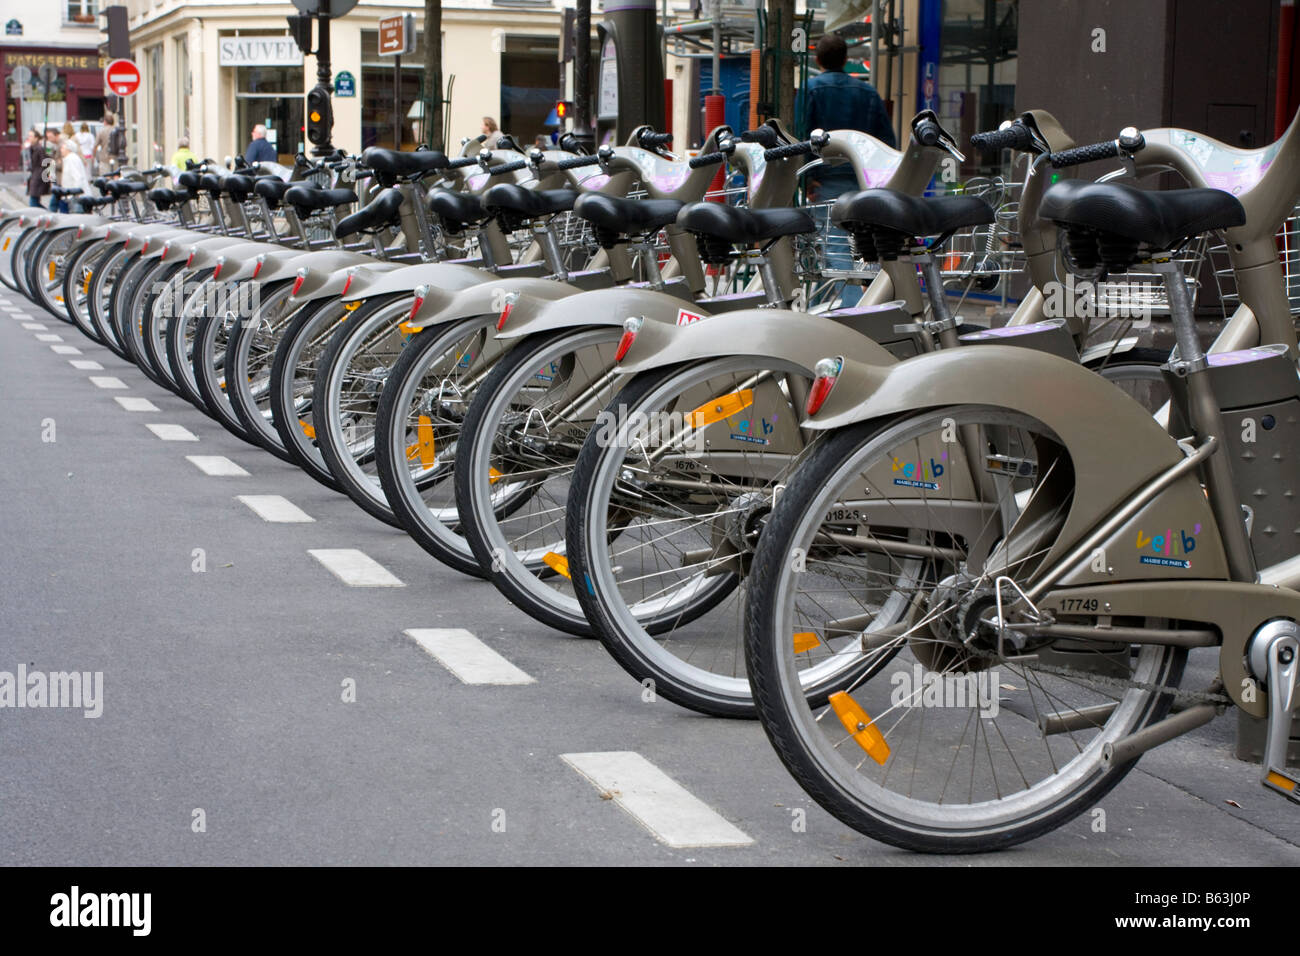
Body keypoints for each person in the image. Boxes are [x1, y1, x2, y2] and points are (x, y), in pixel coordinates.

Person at [799, 33, 897, 306]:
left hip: (826, 180)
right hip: (864, 182)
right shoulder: (868, 92)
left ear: (817, 60)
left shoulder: (811, 90)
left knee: (835, 248)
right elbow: (886, 141)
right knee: (866, 247)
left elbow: (802, 137)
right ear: (846, 60)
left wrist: (807, 179)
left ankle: (851, 309)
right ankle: (873, 304)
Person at [59, 139, 88, 213]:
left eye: (63, 148)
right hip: (70, 195)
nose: (61, 150)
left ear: (68, 149)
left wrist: (75, 194)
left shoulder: (71, 159)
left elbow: (78, 178)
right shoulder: (71, 158)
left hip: (72, 196)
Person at [24, 128, 50, 208]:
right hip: (34, 176)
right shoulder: (32, 148)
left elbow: (46, 162)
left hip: (38, 178)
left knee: (33, 203)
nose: (29, 138)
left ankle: (46, 214)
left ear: (36, 138)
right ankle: (46, 214)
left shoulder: (39, 149)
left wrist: (44, 177)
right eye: (29, 136)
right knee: (35, 202)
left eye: (31, 136)